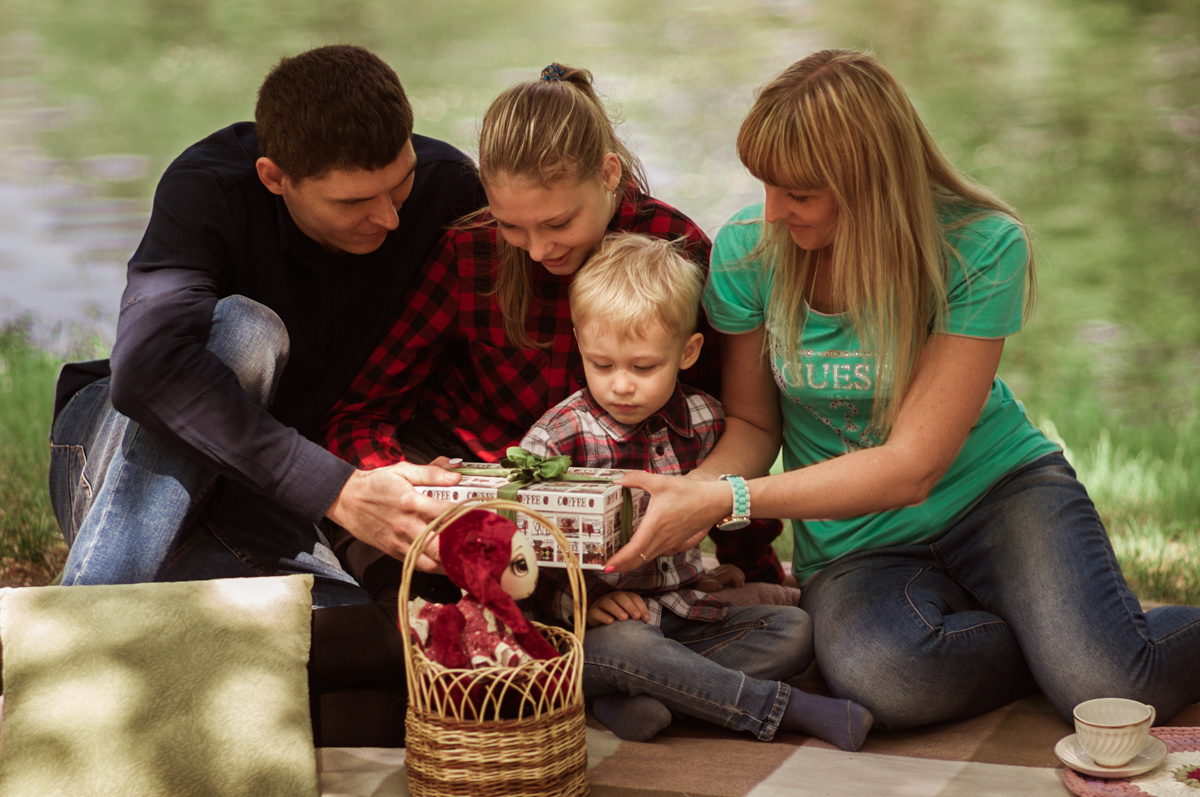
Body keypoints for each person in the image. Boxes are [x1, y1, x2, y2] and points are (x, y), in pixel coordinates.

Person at [606, 49, 1200, 731]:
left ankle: (1077, 643)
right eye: (766, 185)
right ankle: (1050, 634)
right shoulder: (749, 253)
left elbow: (914, 466)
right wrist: (687, 497)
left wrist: (726, 498)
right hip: (857, 545)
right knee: (888, 677)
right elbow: (752, 425)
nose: (772, 213)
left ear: (870, 183)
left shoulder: (980, 248)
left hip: (999, 495)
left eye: (799, 193)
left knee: (1109, 684)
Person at [46, 44, 486, 745]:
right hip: (118, 470)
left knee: (369, 648)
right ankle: (67, 658)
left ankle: (142, 639)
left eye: (398, 187)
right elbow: (148, 371)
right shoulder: (207, 188)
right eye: (355, 202)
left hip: (264, 498)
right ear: (274, 177)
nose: (391, 219)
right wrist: (339, 490)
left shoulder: (448, 187)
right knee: (246, 331)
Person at [321, 63, 783, 597]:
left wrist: (747, 561)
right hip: (489, 497)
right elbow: (362, 412)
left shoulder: (675, 251)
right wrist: (398, 481)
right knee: (412, 589)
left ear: (609, 174)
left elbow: (719, 426)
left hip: (614, 519)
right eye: (512, 225)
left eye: (558, 224)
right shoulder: (471, 252)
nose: (538, 251)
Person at [519, 233, 873, 748]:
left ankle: (640, 699)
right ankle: (776, 708)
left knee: (793, 631)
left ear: (688, 352)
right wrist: (577, 606)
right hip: (596, 636)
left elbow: (728, 501)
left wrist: (722, 573)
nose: (621, 384)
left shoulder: (706, 421)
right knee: (632, 648)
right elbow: (520, 550)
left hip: (682, 616)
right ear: (580, 344)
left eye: (643, 367)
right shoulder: (559, 438)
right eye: (602, 364)